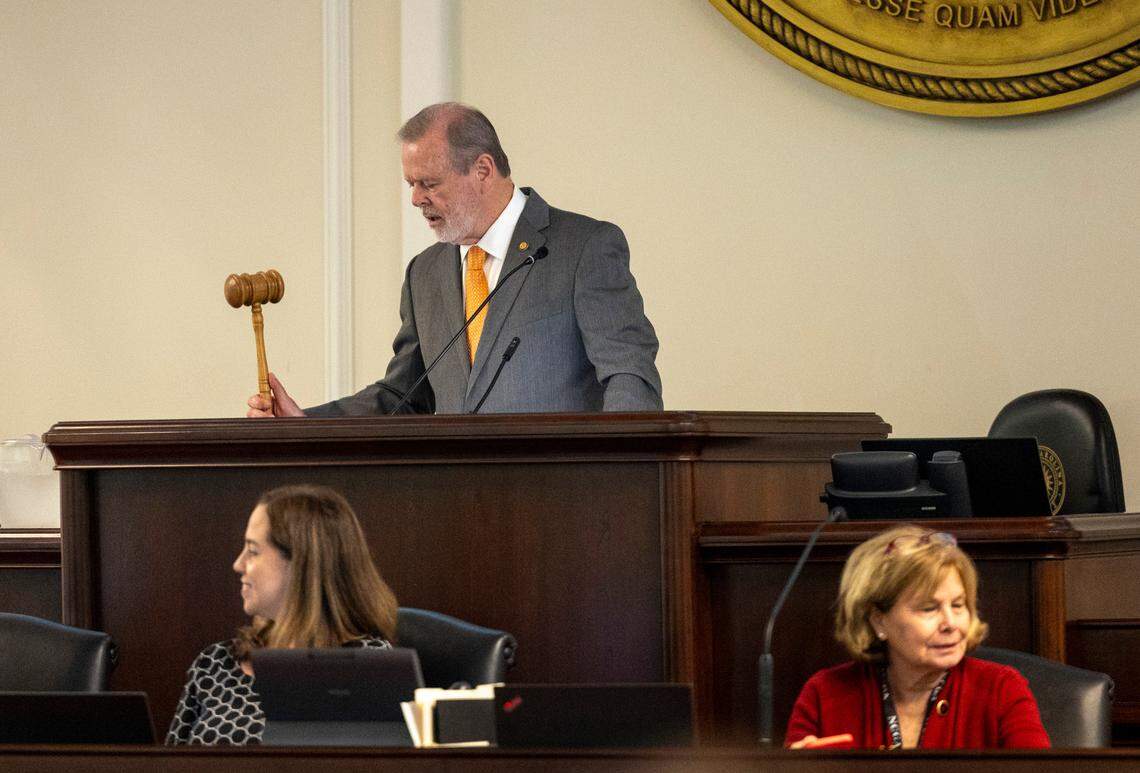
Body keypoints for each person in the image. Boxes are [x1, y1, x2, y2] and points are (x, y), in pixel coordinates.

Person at [247, 102, 662, 417]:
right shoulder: (424, 273)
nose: (416, 199)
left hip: (561, 493)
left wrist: (617, 472)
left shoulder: (583, 247)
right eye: (411, 184)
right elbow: (404, 396)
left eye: (429, 183)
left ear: (482, 170)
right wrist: (305, 423)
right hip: (456, 498)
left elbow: (629, 376)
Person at [166, 485, 398, 745]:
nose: (238, 564)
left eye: (253, 551)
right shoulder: (215, 663)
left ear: (301, 563)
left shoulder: (369, 666)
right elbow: (169, 760)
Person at [785, 524, 1050, 750]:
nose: (950, 623)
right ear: (879, 620)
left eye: (958, 605)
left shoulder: (1002, 690)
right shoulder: (824, 695)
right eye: (929, 608)